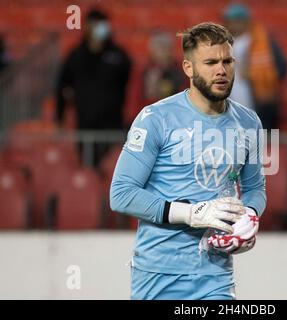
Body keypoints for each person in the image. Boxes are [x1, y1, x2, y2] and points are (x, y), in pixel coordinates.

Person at [110, 22, 266, 300]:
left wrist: (250, 216)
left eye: (227, 61)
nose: (222, 70)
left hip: (215, 275)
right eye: (210, 62)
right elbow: (121, 194)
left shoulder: (249, 122)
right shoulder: (155, 119)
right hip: (158, 274)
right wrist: (192, 214)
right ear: (188, 69)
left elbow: (255, 188)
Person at [55, 9, 131, 166]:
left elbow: (130, 86)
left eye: (102, 25)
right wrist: (59, 116)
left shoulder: (119, 55)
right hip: (85, 125)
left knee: (113, 166)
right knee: (88, 167)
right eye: (95, 25)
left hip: (113, 125)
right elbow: (62, 86)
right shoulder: (76, 55)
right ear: (87, 26)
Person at [223, 3, 287, 130]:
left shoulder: (265, 42)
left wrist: (252, 74)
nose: (234, 24)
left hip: (260, 106)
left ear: (246, 21)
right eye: (231, 20)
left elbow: (281, 70)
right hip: (228, 109)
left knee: (262, 145)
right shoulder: (221, 43)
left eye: (238, 20)